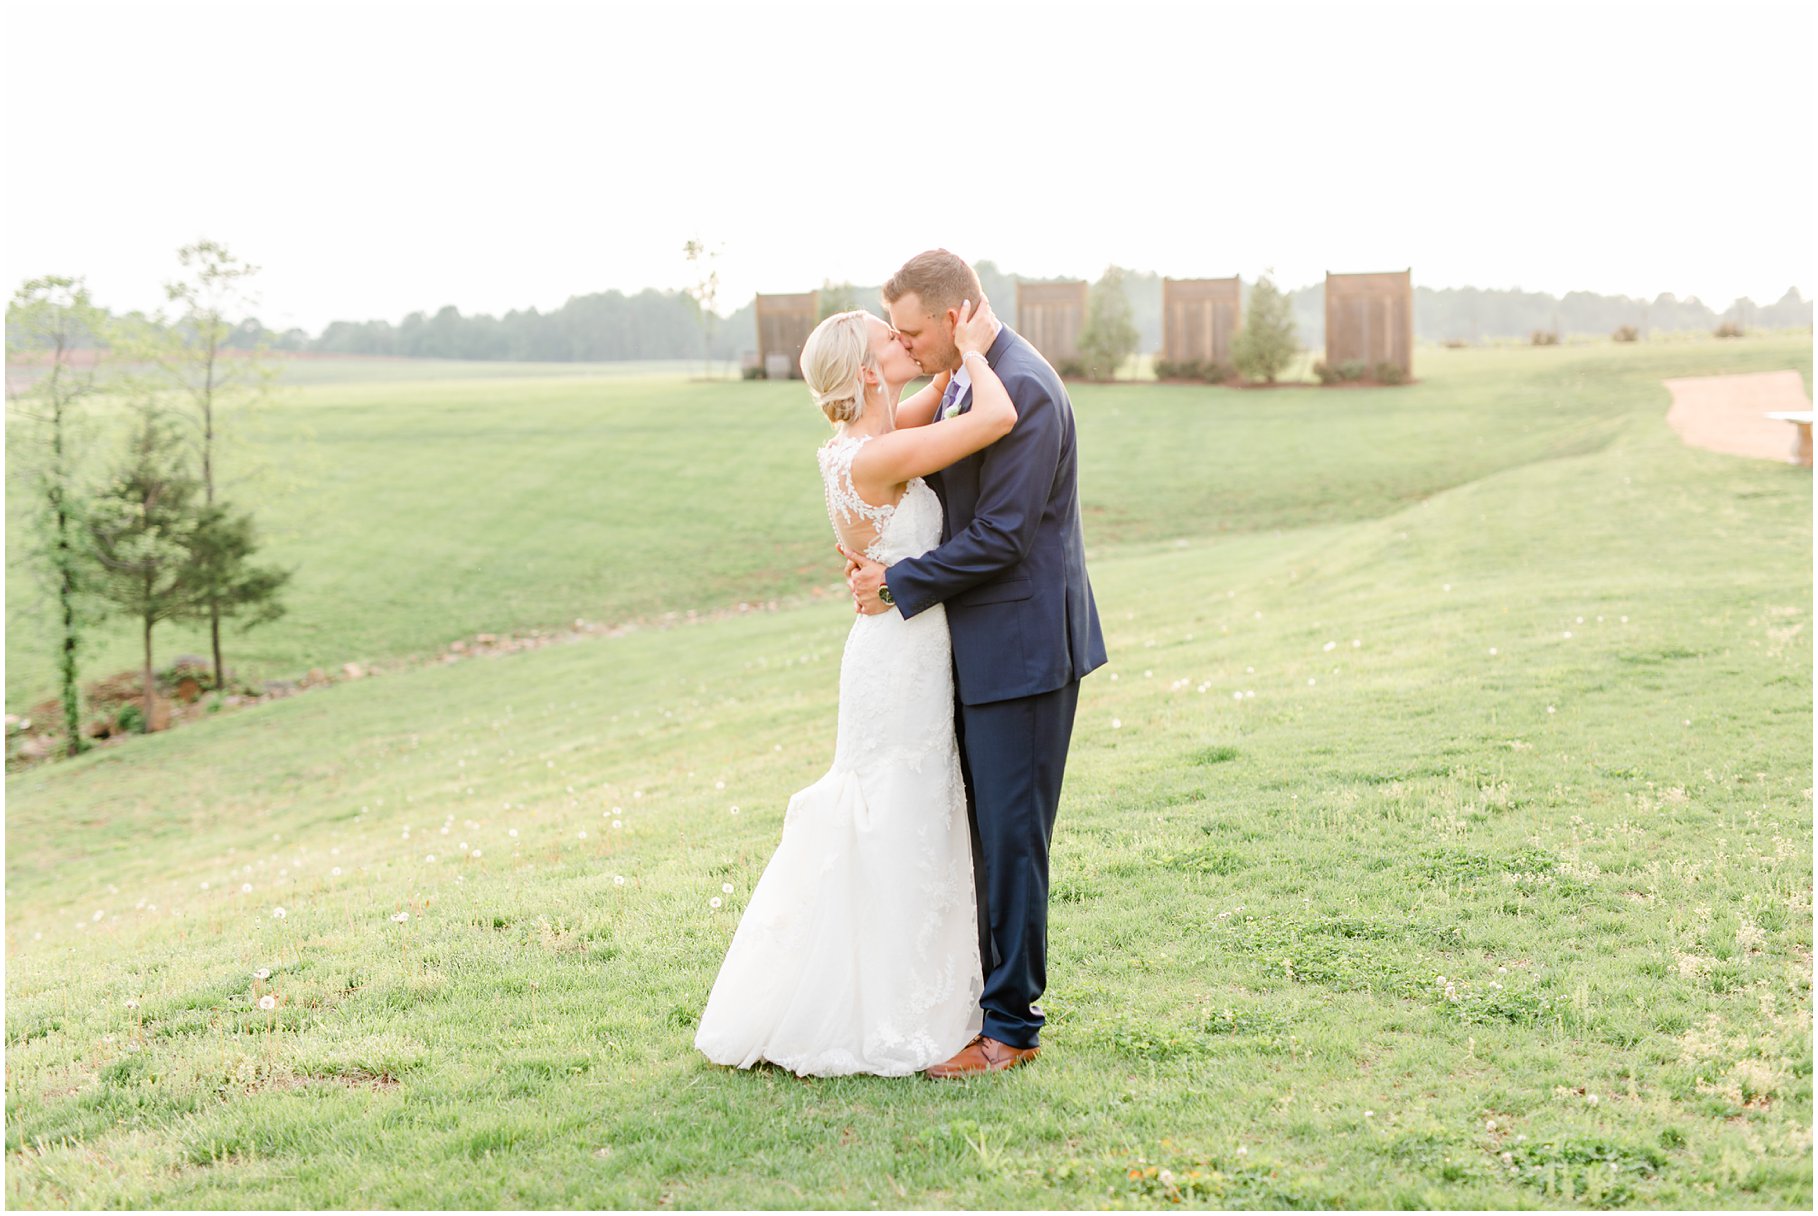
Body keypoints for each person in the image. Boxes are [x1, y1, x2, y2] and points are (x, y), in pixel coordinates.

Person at [694, 299, 1014, 1077]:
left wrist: (949, 356)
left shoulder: (856, 445)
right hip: (898, 656)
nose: (903, 342)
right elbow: (994, 416)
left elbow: (934, 401)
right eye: (889, 339)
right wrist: (974, 349)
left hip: (889, 643)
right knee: (898, 809)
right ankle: (885, 1005)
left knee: (897, 804)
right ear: (871, 371)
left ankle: (905, 985)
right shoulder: (876, 458)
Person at [843, 249, 1107, 1078]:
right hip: (977, 648)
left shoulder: (1021, 386)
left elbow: (1002, 536)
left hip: (1024, 651)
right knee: (985, 838)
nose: (904, 343)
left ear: (955, 317)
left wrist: (898, 582)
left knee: (1013, 841)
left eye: (913, 330)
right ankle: (981, 1007)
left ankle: (1011, 1031)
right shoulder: (966, 374)